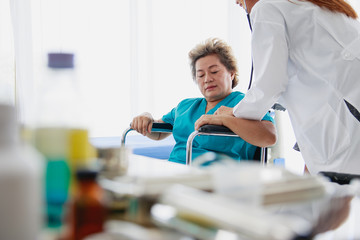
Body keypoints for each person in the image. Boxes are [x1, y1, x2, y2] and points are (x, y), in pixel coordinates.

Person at [195, 0, 360, 174]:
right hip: (341, 114)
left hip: (345, 118)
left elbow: (270, 83)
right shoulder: (313, 5)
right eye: (200, 74)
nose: (236, 2)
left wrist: (233, 115)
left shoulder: (267, 7)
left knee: (332, 190)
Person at [131, 38, 276, 165]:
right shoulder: (185, 106)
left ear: (231, 74)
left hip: (216, 179)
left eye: (214, 72)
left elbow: (269, 137)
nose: (207, 79)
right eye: (200, 75)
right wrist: (146, 118)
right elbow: (158, 133)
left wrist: (225, 120)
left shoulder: (244, 103)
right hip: (175, 171)